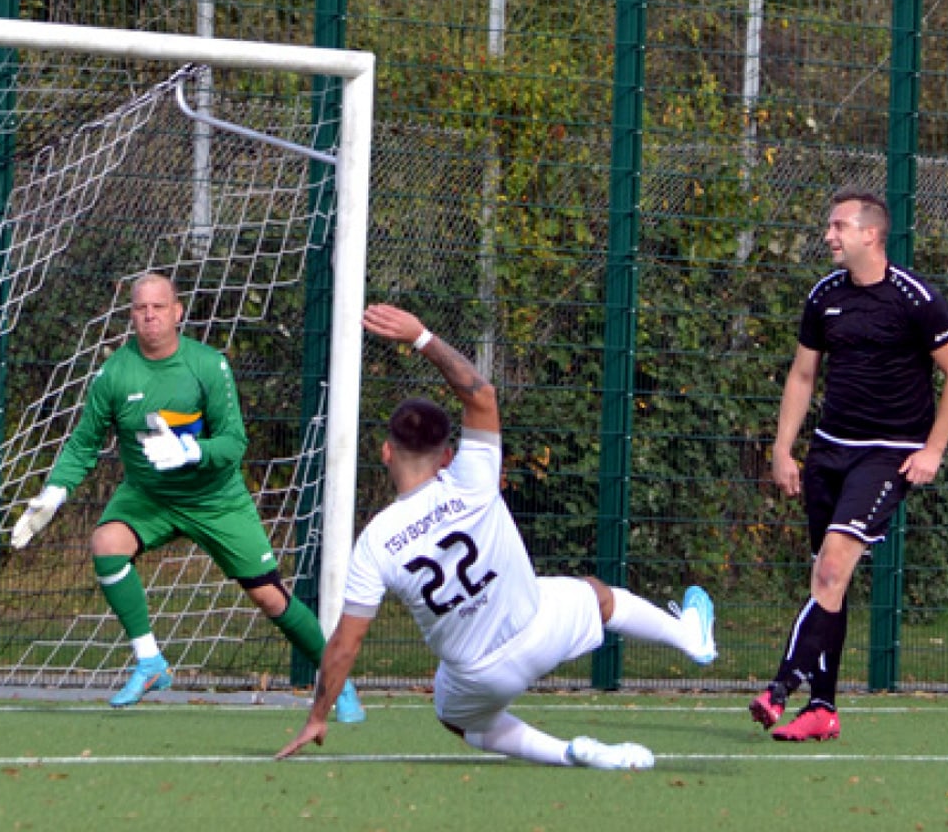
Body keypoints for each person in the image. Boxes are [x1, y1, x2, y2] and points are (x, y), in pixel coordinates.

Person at [275, 303, 717, 770]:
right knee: (598, 596)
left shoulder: (374, 541)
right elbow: (481, 395)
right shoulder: (471, 477)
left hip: (480, 678)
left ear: (386, 451)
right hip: (541, 631)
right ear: (447, 455)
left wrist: (318, 716)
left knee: (456, 718)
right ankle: (687, 636)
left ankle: (571, 754)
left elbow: (345, 644)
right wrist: (421, 336)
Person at [10, 272, 365, 721]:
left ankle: (336, 679)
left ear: (177, 312)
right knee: (106, 544)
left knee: (270, 597)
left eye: (159, 306)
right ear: (131, 316)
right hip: (148, 496)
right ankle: (150, 662)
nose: (150, 315)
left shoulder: (207, 365)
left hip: (215, 497)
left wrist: (189, 450)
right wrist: (54, 493)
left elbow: (234, 444)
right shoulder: (115, 373)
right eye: (141, 308)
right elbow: (83, 444)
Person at [753, 187, 948, 741]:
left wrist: (933, 450)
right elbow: (803, 377)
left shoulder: (917, 299)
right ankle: (822, 709)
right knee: (831, 581)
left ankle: (779, 688)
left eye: (838, 226)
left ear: (870, 234)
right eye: (830, 226)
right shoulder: (824, 295)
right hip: (829, 451)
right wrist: (784, 448)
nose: (829, 235)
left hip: (888, 457)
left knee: (829, 571)